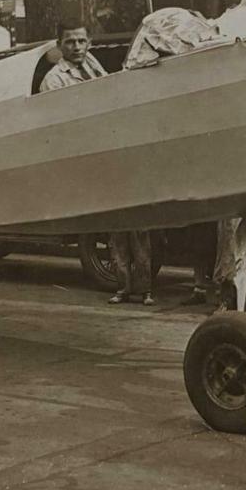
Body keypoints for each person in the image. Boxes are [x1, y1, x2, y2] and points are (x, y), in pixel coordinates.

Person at [39, 23, 155, 304]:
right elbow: (59, 121)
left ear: (89, 42)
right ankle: (123, 287)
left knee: (139, 224)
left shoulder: (93, 64)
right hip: (92, 155)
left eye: (81, 41)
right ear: (60, 45)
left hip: (116, 150)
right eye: (70, 42)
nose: (77, 47)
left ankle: (146, 288)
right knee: (114, 225)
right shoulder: (55, 79)